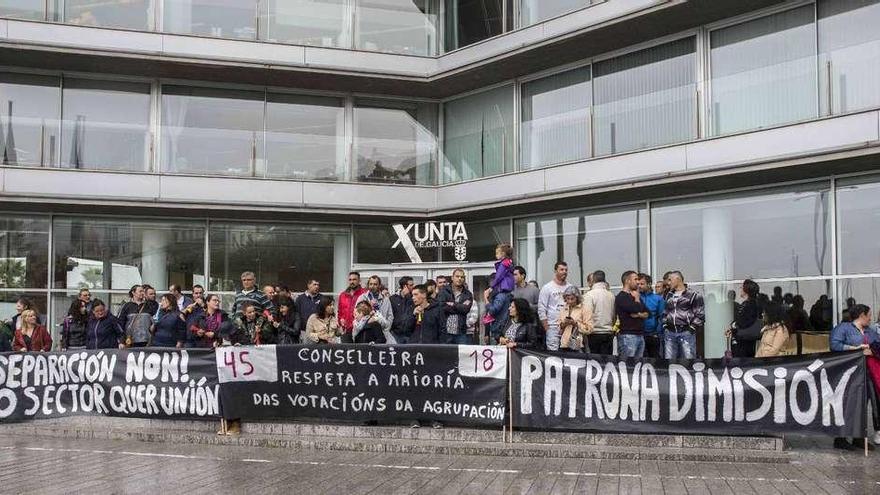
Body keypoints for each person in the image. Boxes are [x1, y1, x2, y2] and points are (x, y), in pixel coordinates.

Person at [830, 304, 877, 451]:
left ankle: (858, 437)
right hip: (849, 373)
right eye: (869, 315)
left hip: (867, 374)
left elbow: (878, 345)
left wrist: (873, 351)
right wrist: (855, 349)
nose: (870, 318)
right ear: (862, 315)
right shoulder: (843, 328)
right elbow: (835, 345)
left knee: (863, 405)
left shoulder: (871, 331)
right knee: (847, 404)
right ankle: (841, 437)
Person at [662, 271, 704, 359]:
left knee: (688, 361)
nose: (668, 283)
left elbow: (700, 315)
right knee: (669, 361)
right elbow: (665, 312)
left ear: (678, 279)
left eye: (670, 280)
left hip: (686, 332)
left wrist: (691, 329)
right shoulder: (669, 295)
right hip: (670, 332)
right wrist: (665, 325)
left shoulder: (694, 295)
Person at [538, 261, 573, 351]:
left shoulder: (570, 287)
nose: (564, 272)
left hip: (568, 327)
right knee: (554, 356)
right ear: (555, 271)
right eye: (561, 269)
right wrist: (547, 328)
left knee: (569, 354)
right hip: (552, 326)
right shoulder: (547, 287)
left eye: (566, 270)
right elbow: (542, 309)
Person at [615, 271, 648, 358]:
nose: (638, 282)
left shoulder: (634, 295)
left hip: (640, 335)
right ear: (627, 281)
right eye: (635, 279)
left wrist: (638, 315)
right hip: (628, 336)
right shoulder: (621, 297)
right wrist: (637, 299)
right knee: (628, 366)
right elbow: (635, 309)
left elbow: (647, 313)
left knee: (638, 365)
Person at [482, 244, 515, 330]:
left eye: (497, 253)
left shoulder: (503, 264)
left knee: (493, 300)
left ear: (503, 254)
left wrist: (490, 288)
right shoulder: (508, 263)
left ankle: (489, 315)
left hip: (503, 288)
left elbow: (498, 277)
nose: (496, 255)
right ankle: (490, 316)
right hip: (507, 289)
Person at [726, 279, 761, 358]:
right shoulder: (745, 304)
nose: (740, 289)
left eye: (741, 287)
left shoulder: (751, 304)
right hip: (740, 340)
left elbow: (745, 322)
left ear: (746, 290)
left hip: (745, 342)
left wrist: (735, 325)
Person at [438, 268, 474, 345]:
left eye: (462, 277)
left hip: (461, 332)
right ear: (452, 278)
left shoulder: (468, 294)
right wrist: (459, 307)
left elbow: (465, 309)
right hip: (445, 331)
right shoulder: (444, 291)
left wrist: (452, 304)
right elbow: (441, 307)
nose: (459, 279)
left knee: (461, 356)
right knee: (445, 355)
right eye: (457, 276)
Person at [584, 270, 615, 355]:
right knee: (607, 363)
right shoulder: (611, 295)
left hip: (594, 333)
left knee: (595, 363)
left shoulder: (589, 295)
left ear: (593, 280)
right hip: (608, 333)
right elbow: (613, 315)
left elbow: (587, 315)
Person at [638, 274, 665, 358]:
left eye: (642, 284)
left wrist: (657, 332)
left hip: (653, 335)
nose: (639, 286)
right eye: (638, 284)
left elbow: (662, 317)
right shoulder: (635, 297)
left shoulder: (658, 299)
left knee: (655, 361)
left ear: (649, 284)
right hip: (639, 335)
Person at [558, 286, 592, 352]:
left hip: (579, 345)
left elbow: (589, 329)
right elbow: (559, 328)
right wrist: (563, 324)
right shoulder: (564, 309)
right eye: (568, 299)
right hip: (564, 344)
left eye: (572, 299)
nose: (570, 301)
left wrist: (575, 324)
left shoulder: (585, 309)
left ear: (577, 298)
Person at [338, 272, 366, 343]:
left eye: (354, 279)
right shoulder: (342, 295)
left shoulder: (365, 294)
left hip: (361, 330)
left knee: (361, 352)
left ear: (359, 281)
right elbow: (339, 312)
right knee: (346, 352)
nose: (352, 282)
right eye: (350, 280)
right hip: (346, 330)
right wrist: (340, 324)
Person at [390, 276, 415, 344]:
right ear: (404, 286)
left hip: (410, 334)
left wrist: (408, 296)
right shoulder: (393, 299)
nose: (413, 286)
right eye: (411, 285)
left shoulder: (413, 298)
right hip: (396, 334)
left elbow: (414, 307)